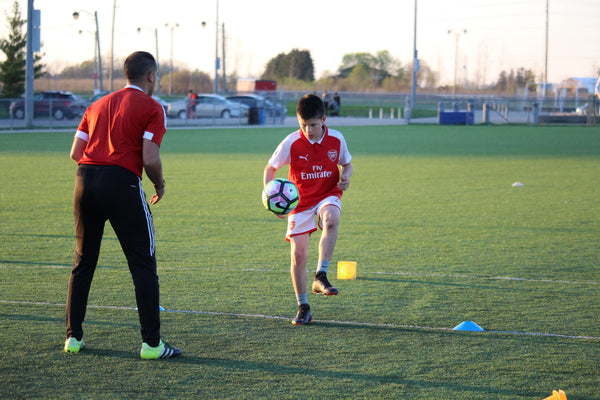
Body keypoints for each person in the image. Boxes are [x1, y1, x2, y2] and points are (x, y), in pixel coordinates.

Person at [65, 51, 181, 359]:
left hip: (85, 180)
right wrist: (159, 184)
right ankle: (152, 345)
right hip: (122, 184)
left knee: (83, 262)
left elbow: (76, 151)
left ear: (125, 74)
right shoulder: (152, 107)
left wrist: (98, 168)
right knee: (143, 264)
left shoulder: (97, 104)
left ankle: (73, 338)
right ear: (151, 76)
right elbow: (150, 157)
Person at [263, 94, 353, 325]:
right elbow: (270, 169)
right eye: (303, 125)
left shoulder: (336, 139)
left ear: (323, 119)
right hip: (300, 201)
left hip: (327, 194)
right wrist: (271, 198)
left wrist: (346, 177)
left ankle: (321, 274)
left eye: (313, 125)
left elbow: (347, 163)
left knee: (331, 218)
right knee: (298, 255)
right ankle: (303, 307)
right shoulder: (291, 142)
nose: (308, 130)